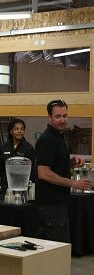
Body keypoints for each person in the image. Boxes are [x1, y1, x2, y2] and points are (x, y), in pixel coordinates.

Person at [35, 99, 91, 242]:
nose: (62, 120)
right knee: (58, 249)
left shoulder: (60, 136)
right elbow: (43, 173)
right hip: (50, 205)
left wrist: (71, 163)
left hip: (58, 203)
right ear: (50, 118)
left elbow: (56, 166)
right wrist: (73, 183)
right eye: (58, 116)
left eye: (65, 116)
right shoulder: (48, 139)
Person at [0, 118, 36, 197]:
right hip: (6, 186)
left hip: (22, 188)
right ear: (11, 131)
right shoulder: (5, 147)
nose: (19, 131)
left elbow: (32, 171)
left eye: (22, 129)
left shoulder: (29, 148)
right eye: (16, 129)